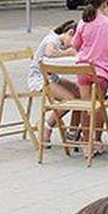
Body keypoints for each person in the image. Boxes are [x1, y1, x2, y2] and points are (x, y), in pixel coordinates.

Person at [29, 17, 81, 146]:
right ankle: (47, 126)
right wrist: (68, 53)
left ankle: (72, 132)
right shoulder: (52, 39)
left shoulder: (60, 42)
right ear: (70, 33)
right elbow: (50, 52)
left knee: (80, 94)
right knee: (69, 99)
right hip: (40, 78)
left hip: (52, 77)